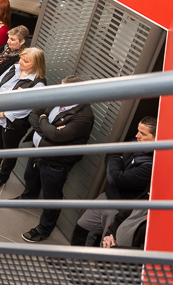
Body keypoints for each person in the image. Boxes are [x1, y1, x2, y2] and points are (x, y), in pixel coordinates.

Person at [19, 75, 94, 243]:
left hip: (56, 162)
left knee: (51, 196)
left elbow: (56, 135)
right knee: (30, 176)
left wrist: (44, 120)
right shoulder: (56, 98)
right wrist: (48, 130)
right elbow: (34, 114)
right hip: (39, 150)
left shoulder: (84, 116)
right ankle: (27, 198)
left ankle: (44, 228)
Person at [72, 117, 156, 246]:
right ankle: (69, 259)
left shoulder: (151, 165)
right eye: (138, 131)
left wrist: (117, 160)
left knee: (105, 243)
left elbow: (115, 178)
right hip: (106, 197)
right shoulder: (135, 143)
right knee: (82, 227)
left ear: (156, 138)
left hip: (118, 209)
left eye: (143, 134)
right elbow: (112, 152)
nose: (136, 135)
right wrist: (117, 159)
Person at [0, 47, 47, 188]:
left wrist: (5, 113)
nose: (20, 62)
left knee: (9, 150)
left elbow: (27, 107)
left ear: (35, 64)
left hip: (14, 122)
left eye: (25, 61)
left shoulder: (38, 83)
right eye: (21, 58)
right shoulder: (14, 68)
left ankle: (3, 177)